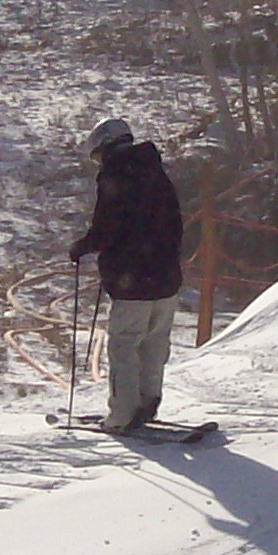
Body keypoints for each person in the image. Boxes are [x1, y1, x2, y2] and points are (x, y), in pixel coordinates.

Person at [71, 117, 185, 434]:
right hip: (166, 278)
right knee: (154, 344)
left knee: (123, 346)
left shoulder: (115, 176)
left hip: (132, 281)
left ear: (105, 148)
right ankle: (148, 404)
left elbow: (106, 229)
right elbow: (176, 224)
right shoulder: (157, 173)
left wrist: (82, 247)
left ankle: (122, 415)